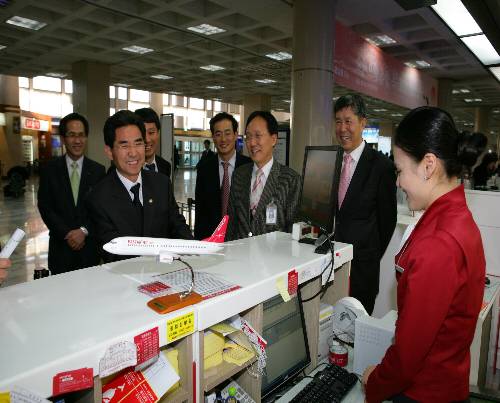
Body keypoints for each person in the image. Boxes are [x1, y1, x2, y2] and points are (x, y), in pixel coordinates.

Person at [363, 106, 485, 402]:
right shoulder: (454, 218)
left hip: (424, 393)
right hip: (446, 381)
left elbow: (409, 353)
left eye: (400, 170)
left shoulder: (438, 242)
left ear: (428, 165)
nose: (398, 182)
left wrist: (376, 382)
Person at [86, 110, 192, 262]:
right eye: (124, 145)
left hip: (168, 274)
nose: (133, 153)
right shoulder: (98, 198)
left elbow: (177, 226)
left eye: (138, 143)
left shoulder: (161, 184)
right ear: (109, 152)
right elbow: (114, 253)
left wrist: (195, 250)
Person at [334, 94, 397, 314]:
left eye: (348, 121)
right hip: (332, 266)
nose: (343, 128)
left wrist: (368, 256)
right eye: (338, 121)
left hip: (363, 271)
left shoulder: (381, 166)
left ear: (363, 122)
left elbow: (388, 221)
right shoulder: (332, 160)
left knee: (356, 335)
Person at [38, 112, 106, 275]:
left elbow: (100, 209)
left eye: (81, 135)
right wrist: (67, 234)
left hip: (89, 250)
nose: (77, 141)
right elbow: (45, 207)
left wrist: (83, 231)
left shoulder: (98, 171)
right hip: (61, 249)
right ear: (63, 138)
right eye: (72, 135)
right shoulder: (50, 170)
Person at [226, 111, 300, 241]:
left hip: (273, 257)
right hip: (240, 256)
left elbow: (293, 232)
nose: (252, 143)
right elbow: (231, 224)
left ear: (273, 139)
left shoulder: (290, 179)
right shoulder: (239, 175)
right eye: (248, 137)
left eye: (258, 136)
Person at [194, 112, 251, 240]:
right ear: (213, 137)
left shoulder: (249, 166)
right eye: (218, 134)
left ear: (236, 135)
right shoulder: (204, 169)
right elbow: (200, 212)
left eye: (227, 133)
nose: (223, 139)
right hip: (212, 241)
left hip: (242, 242)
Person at [134, 107, 172, 178]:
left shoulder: (165, 166)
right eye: (142, 133)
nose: (147, 140)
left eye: (151, 133)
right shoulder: (126, 168)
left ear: (158, 133)